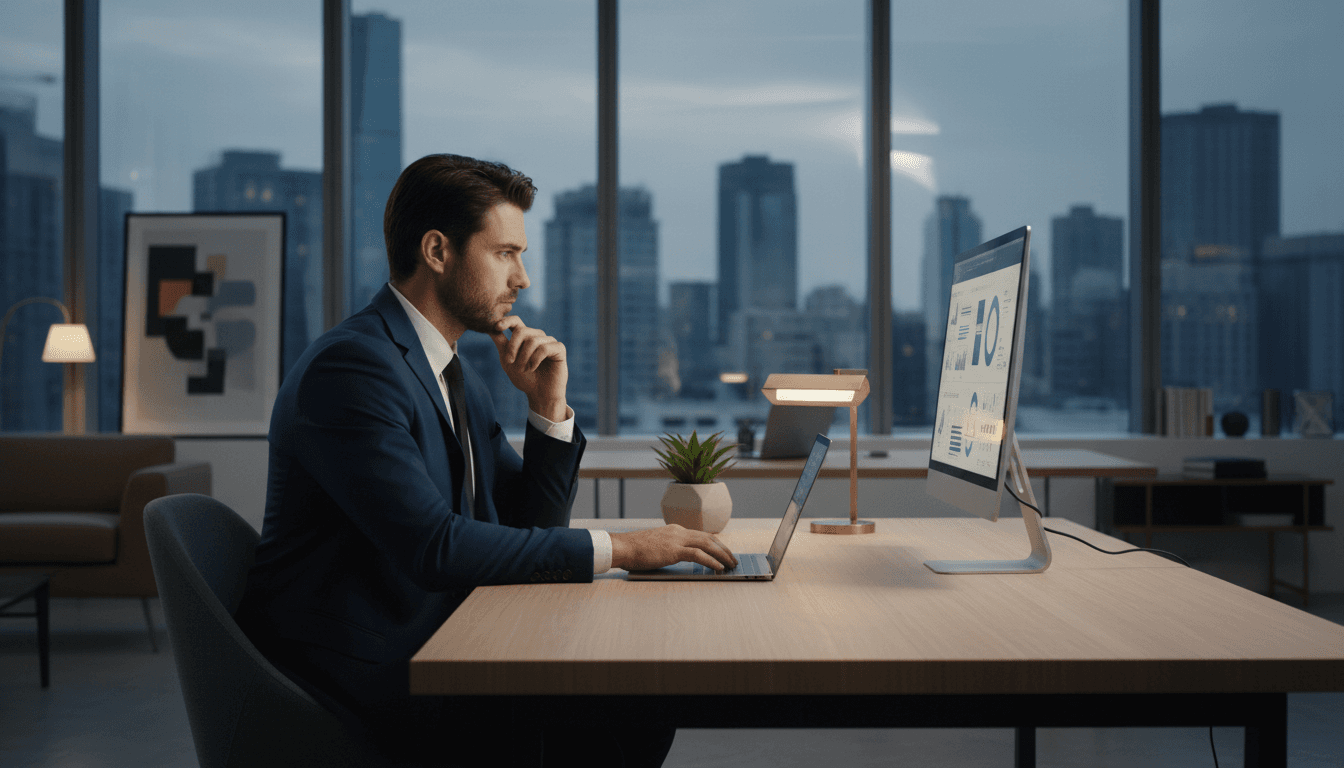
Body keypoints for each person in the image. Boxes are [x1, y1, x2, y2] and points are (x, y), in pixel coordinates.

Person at [236, 153, 737, 767]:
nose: (522, 278)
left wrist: (547, 408)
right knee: (627, 707)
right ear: (437, 251)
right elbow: (435, 547)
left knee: (636, 699)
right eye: (505, 253)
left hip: (442, 643)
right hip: (366, 680)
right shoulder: (353, 369)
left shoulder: (451, 371)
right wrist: (624, 549)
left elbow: (530, 525)